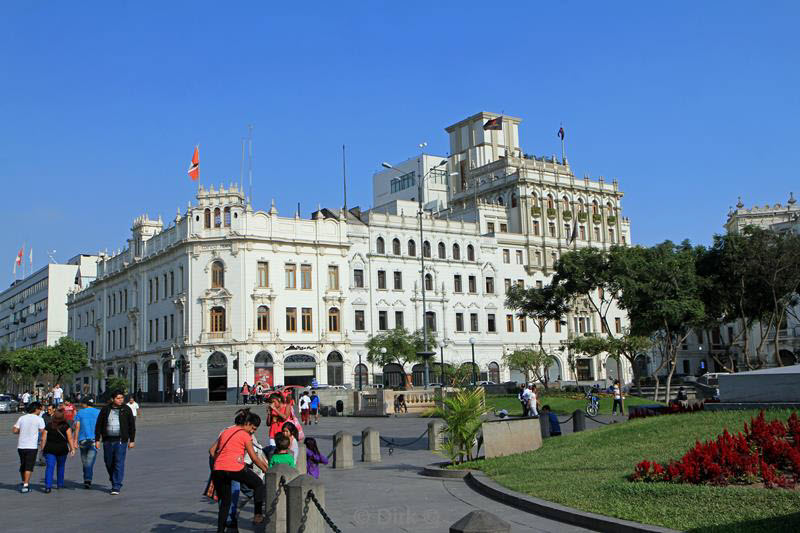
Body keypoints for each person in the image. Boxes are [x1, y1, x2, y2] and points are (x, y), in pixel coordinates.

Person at [209, 408, 268, 532]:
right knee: (258, 484)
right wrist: (266, 470)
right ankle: (258, 515)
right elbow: (254, 457)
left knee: (225, 503)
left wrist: (221, 461)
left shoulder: (226, 431)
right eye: (253, 428)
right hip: (235, 467)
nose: (252, 431)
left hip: (218, 469)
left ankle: (220, 530)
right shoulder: (245, 435)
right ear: (247, 423)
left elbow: (211, 450)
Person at [95, 391, 136, 494]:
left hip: (121, 441)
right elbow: (99, 425)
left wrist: (132, 440)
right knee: (108, 462)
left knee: (119, 462)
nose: (120, 400)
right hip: (108, 440)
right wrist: (97, 439)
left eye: (122, 398)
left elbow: (132, 426)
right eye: (118, 398)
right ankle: (114, 478)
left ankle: (116, 485)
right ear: (113, 399)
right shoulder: (105, 409)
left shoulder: (126, 409)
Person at [40, 407, 75, 492]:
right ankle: (60, 484)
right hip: (62, 449)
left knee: (50, 467)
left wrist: (42, 449)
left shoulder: (48, 425)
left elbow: (43, 438)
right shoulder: (66, 426)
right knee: (61, 466)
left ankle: (48, 486)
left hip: (50, 449)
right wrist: (72, 448)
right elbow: (70, 438)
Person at [12, 401, 45, 493]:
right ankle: (26, 485)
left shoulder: (22, 418)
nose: (41, 411)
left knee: (23, 465)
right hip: (32, 446)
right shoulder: (39, 419)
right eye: (40, 409)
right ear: (36, 409)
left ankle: (24, 482)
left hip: (21, 446)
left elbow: (14, 430)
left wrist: (22, 431)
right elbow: (43, 431)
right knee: (29, 466)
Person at [73, 397, 101, 488]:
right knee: (90, 462)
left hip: (82, 440)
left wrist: (75, 441)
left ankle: (87, 479)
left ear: (85, 404)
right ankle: (88, 479)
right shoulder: (98, 412)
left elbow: (77, 427)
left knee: (85, 461)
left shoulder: (80, 412)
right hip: (94, 440)